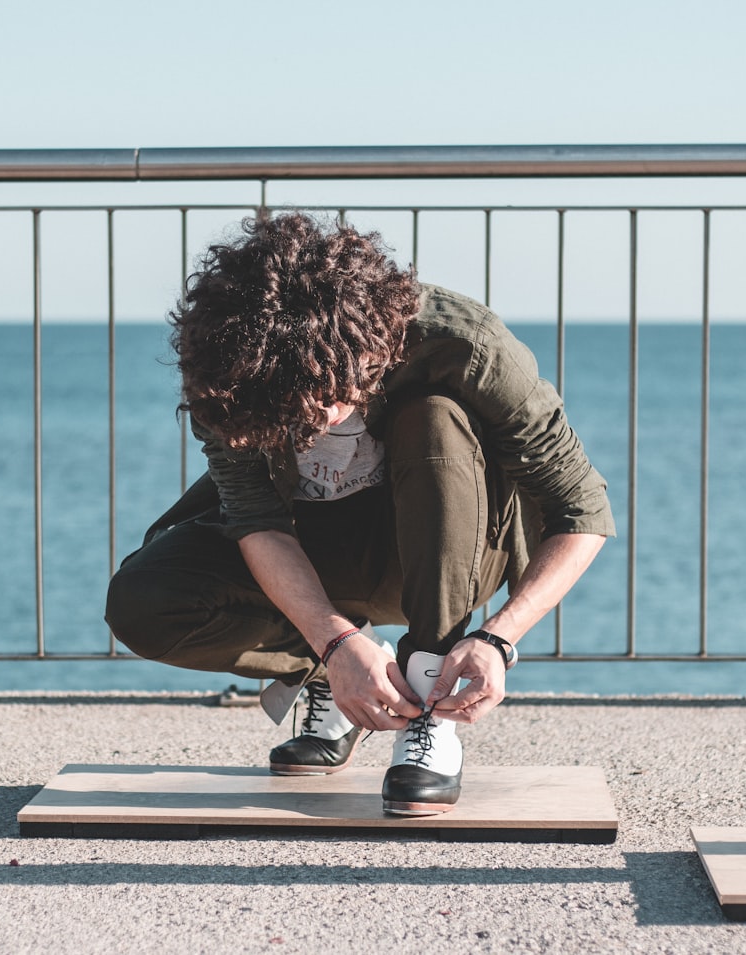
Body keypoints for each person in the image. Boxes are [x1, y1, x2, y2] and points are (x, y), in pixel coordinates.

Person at [105, 211, 614, 815]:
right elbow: (256, 522)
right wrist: (336, 644)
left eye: (323, 399)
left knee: (433, 418)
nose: (314, 425)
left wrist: (499, 637)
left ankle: (428, 702)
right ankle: (338, 670)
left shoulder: (463, 345)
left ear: (364, 351)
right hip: (313, 553)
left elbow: (582, 510)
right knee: (142, 604)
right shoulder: (229, 377)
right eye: (289, 417)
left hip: (448, 549)